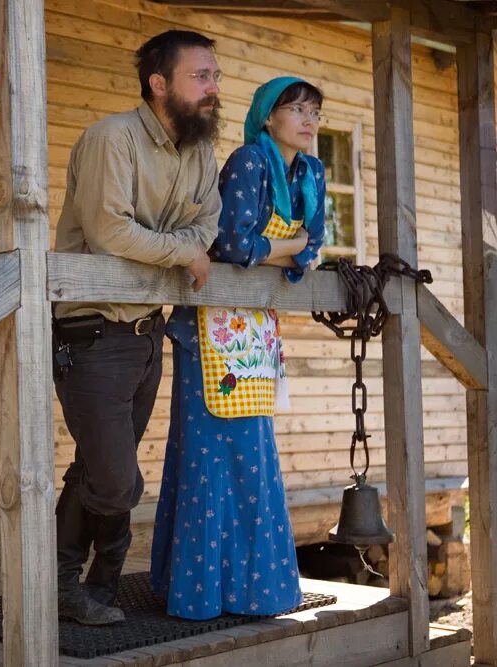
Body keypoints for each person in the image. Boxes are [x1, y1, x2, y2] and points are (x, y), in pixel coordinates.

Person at [53, 30, 223, 625]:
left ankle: (81, 591)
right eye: (200, 76)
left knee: (99, 469)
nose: (213, 88)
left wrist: (180, 249)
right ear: (159, 83)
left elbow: (208, 230)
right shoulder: (112, 139)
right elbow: (110, 234)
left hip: (148, 334)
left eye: (215, 76)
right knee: (117, 478)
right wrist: (180, 253)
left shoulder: (201, 154)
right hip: (92, 332)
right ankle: (79, 584)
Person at [148, 76, 327, 620]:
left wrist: (281, 249)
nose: (307, 119)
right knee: (205, 459)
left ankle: (257, 592)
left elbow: (314, 246)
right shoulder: (249, 161)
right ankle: (197, 593)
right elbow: (230, 243)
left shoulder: (312, 173)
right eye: (294, 109)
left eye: (314, 111)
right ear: (267, 117)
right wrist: (290, 247)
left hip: (255, 328)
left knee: (255, 458)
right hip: (209, 324)